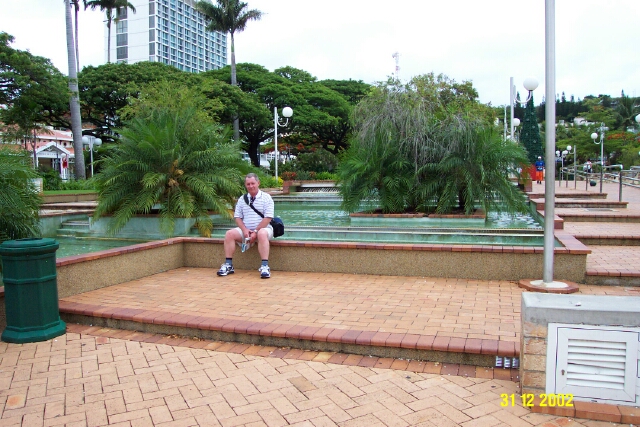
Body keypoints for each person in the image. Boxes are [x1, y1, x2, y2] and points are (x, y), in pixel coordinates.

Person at [217, 173, 275, 279]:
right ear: (245, 185)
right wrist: (244, 230)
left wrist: (256, 231)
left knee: (262, 233)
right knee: (229, 234)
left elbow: (268, 218)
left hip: (264, 229)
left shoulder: (267, 198)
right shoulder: (242, 199)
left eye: (253, 183)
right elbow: (237, 217)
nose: (251, 186)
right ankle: (228, 265)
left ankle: (265, 266)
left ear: (258, 183)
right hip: (246, 230)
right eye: (248, 184)